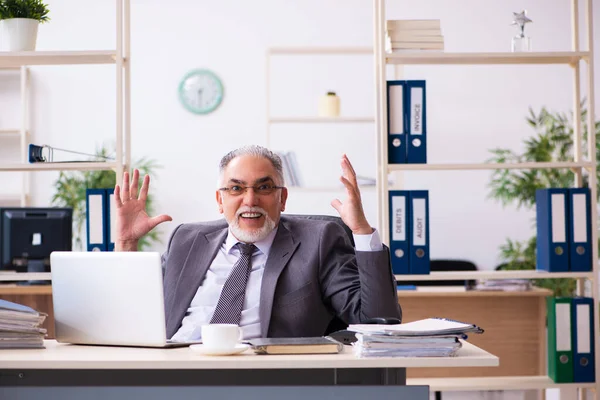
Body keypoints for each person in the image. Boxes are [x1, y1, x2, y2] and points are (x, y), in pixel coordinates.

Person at [115, 145, 401, 340]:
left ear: (283, 198)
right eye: (236, 188)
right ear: (220, 200)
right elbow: (133, 316)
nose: (250, 200)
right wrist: (126, 243)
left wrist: (362, 230)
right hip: (175, 372)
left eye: (264, 188)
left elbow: (378, 320)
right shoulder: (187, 240)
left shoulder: (319, 240)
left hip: (263, 380)